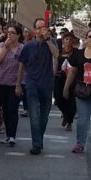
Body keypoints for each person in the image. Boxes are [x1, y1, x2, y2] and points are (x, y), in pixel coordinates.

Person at [16, 18, 58, 155]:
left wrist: (48, 40)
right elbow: (22, 66)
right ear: (34, 31)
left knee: (44, 117)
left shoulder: (51, 43)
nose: (41, 30)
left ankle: (38, 138)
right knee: (34, 116)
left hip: (47, 85)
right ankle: (37, 144)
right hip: (32, 84)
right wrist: (18, 84)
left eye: (43, 27)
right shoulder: (28, 46)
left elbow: (56, 54)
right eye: (39, 28)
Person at [0, 25, 23, 147]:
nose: (10, 34)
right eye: (8, 32)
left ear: (18, 35)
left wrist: (19, 84)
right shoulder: (1, 45)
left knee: (12, 109)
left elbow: (23, 66)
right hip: (1, 82)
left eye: (13, 33)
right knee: (5, 109)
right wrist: (5, 47)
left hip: (15, 83)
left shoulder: (22, 48)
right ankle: (7, 134)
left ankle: (12, 136)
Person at [54, 33, 77, 132]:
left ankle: (70, 122)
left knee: (71, 101)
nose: (68, 41)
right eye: (66, 39)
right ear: (63, 40)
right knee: (58, 99)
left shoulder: (76, 52)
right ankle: (65, 114)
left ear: (73, 41)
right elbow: (56, 63)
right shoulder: (59, 52)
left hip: (72, 79)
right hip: (60, 78)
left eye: (70, 39)